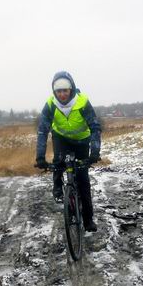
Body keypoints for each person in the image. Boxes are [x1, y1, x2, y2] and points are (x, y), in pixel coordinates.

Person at [35, 71, 102, 232]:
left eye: (65, 90)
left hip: (81, 140)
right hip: (61, 138)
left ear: (71, 89)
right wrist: (40, 157)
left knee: (83, 179)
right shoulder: (51, 104)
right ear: (54, 92)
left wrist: (94, 152)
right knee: (58, 162)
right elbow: (43, 131)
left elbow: (94, 127)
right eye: (59, 91)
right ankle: (57, 187)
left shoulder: (82, 102)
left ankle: (88, 219)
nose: (62, 94)